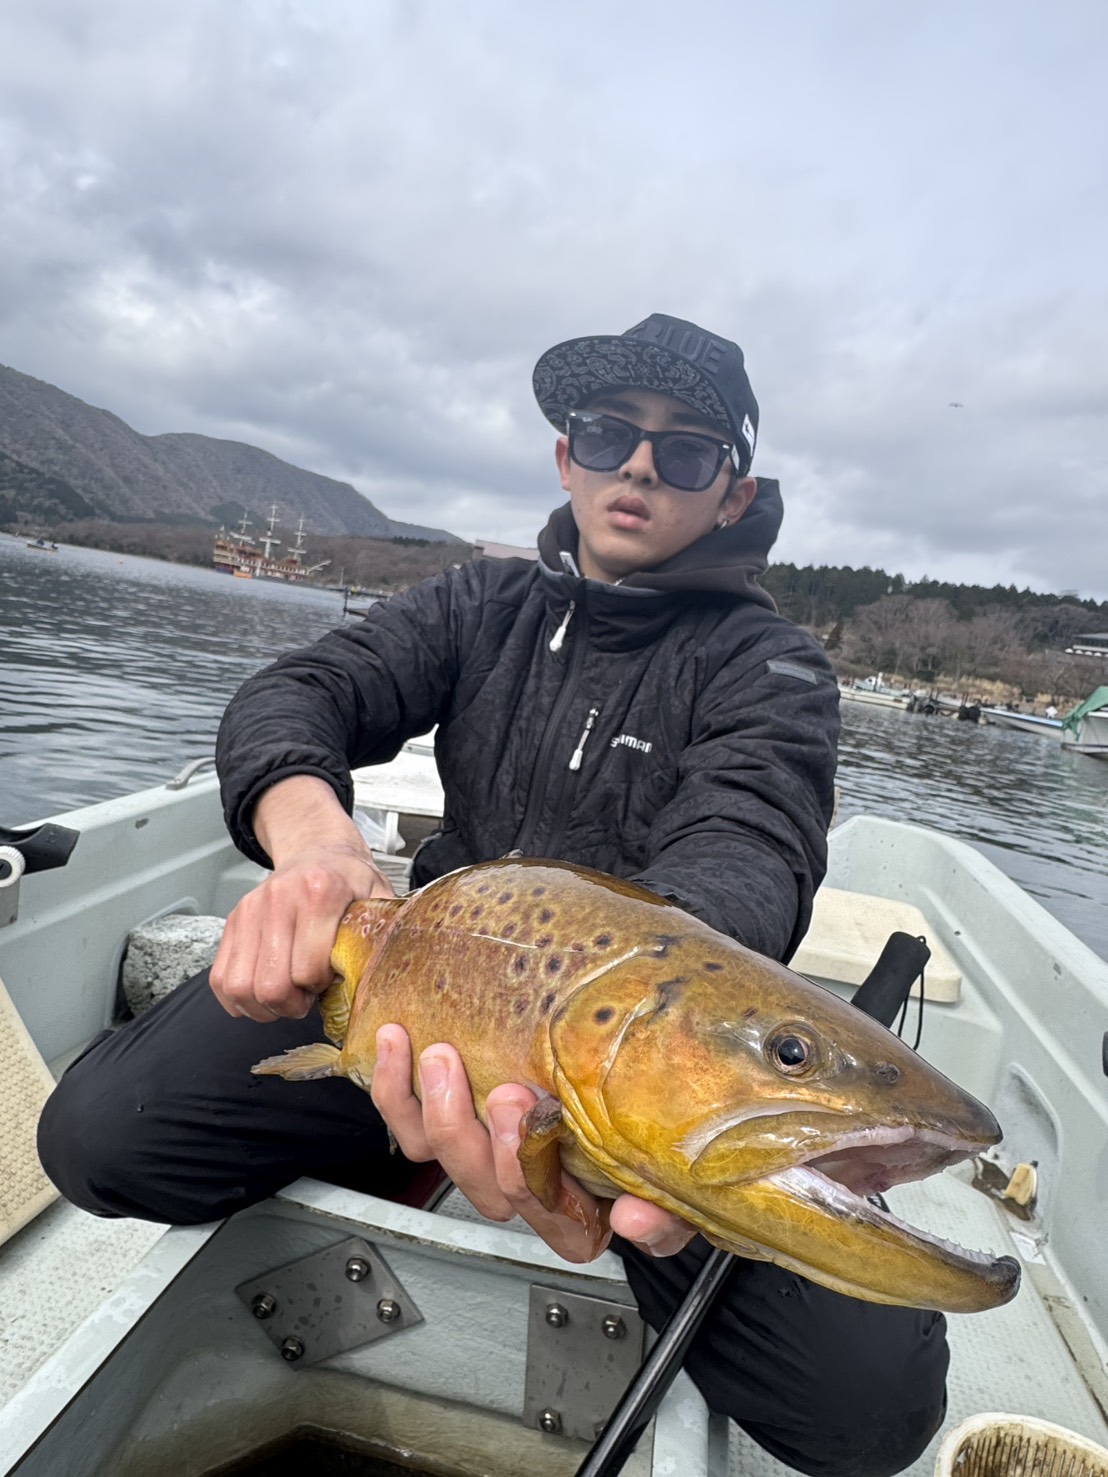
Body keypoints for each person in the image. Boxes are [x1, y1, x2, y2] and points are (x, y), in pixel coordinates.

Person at [39, 313, 948, 1476]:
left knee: (867, 1407)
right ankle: (409, 1138)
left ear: (732, 495)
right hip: (410, 983)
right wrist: (317, 848)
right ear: (566, 456)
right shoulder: (479, 603)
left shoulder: (770, 669)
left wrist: (593, 1070)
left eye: (683, 451)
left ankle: (521, 1169)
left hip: (633, 1082)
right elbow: (296, 693)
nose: (637, 467)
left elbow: (748, 851)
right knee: (103, 1136)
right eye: (608, 434)